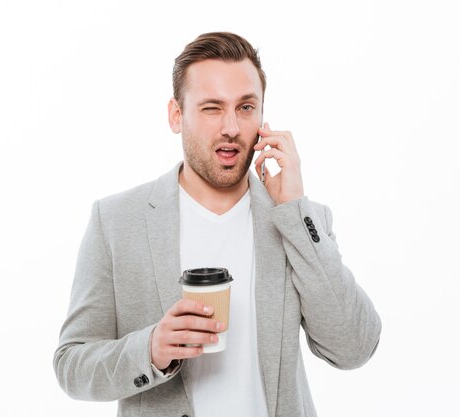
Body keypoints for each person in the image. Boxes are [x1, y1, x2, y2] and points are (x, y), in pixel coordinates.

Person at [54, 32, 381, 417]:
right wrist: (152, 349)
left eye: (245, 107)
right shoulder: (115, 221)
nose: (230, 127)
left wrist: (294, 209)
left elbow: (354, 347)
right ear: (176, 115)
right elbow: (72, 366)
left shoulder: (301, 221)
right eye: (212, 108)